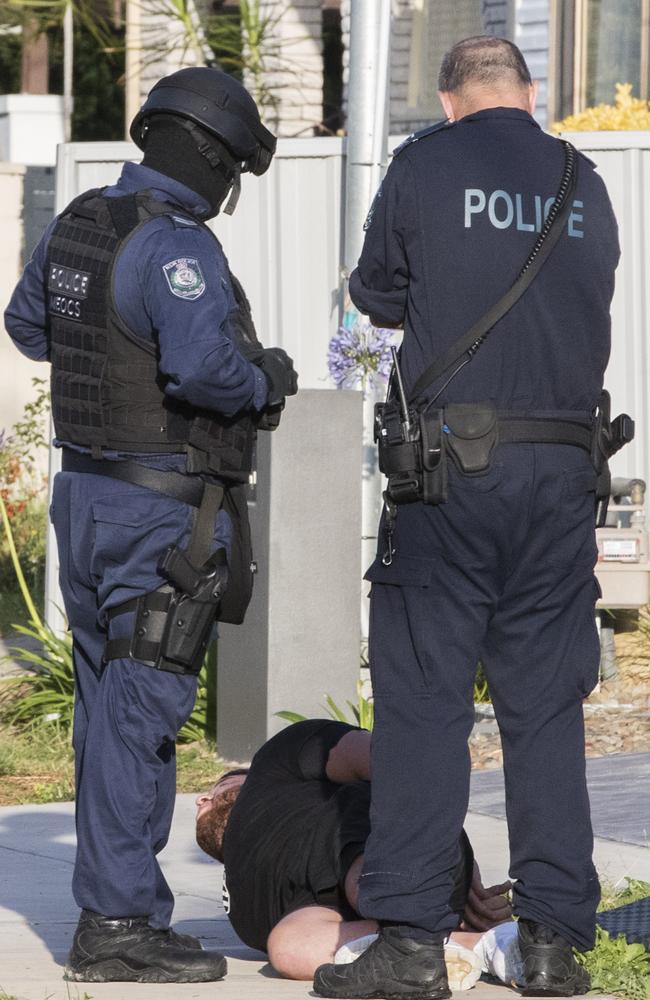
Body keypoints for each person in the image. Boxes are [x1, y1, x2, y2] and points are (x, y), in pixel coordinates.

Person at [313, 36, 620, 1000]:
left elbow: (374, 296)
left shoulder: (421, 164)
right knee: (544, 712)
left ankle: (409, 947)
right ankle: (555, 944)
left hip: (451, 481)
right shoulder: (586, 179)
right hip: (565, 475)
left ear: (450, 103)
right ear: (528, 94)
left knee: (423, 705)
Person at [4, 67, 297, 984]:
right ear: (210, 156)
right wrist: (268, 380)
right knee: (140, 718)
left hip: (85, 501)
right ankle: (120, 924)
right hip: (156, 518)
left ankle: (114, 901)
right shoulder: (178, 246)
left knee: (104, 713)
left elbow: (27, 325)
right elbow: (208, 370)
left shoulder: (80, 223)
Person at [195, 719, 521, 988]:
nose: (202, 799)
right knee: (287, 949)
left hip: (389, 847)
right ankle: (486, 946)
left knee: (350, 862)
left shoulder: (275, 762)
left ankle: (419, 921)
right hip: (347, 913)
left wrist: (462, 862)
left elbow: (391, 761)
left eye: (219, 787)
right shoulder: (240, 903)